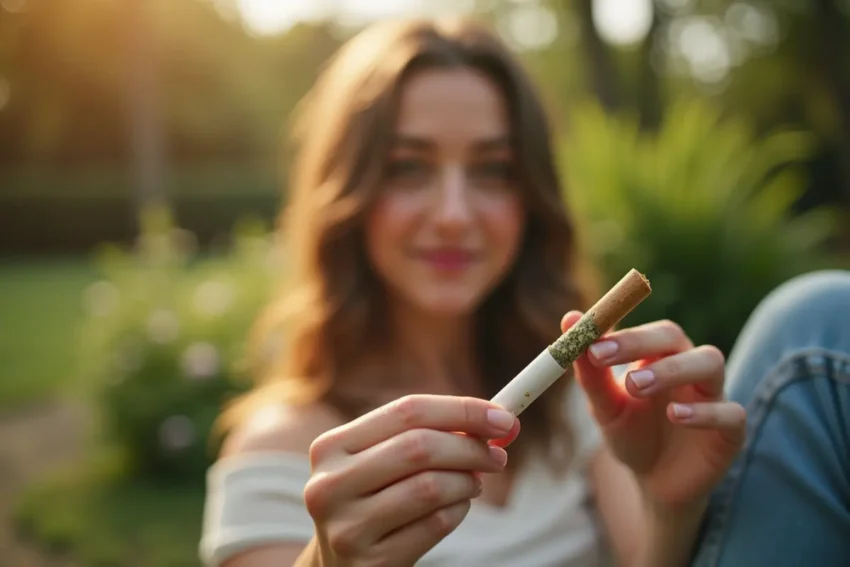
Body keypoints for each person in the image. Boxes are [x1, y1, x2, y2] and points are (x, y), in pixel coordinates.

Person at [199, 17, 850, 567]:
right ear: (347, 198)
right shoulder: (278, 449)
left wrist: (667, 499)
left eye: (493, 169)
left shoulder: (575, 406)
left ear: (531, 199)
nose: (454, 212)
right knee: (813, 330)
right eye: (408, 167)